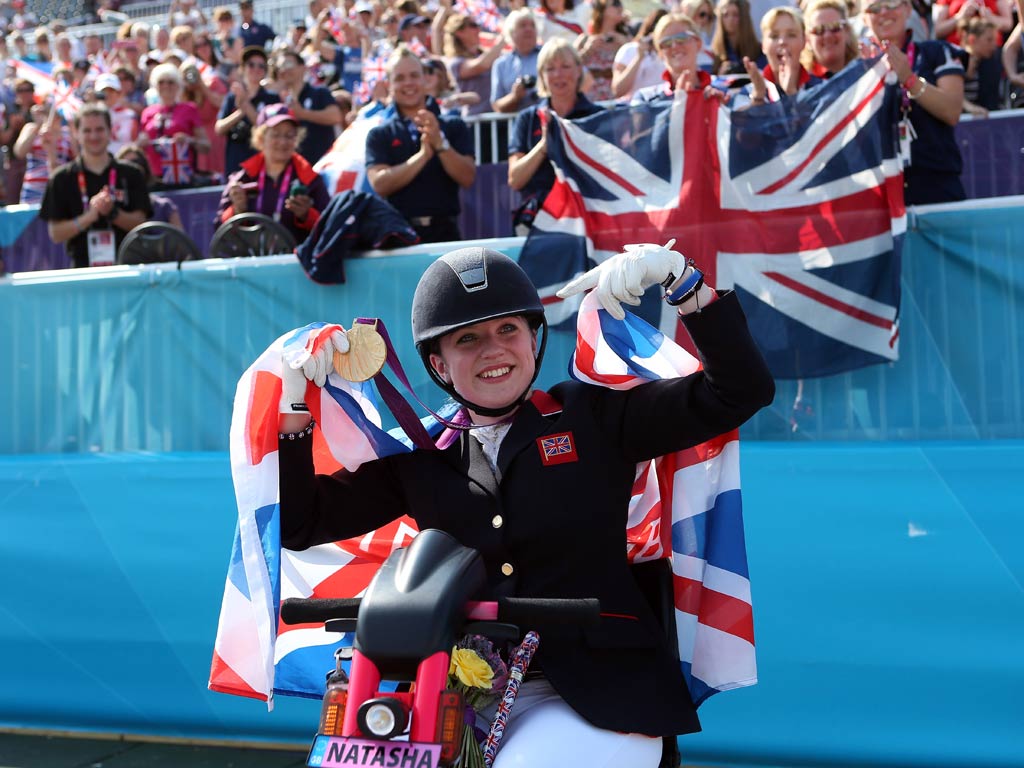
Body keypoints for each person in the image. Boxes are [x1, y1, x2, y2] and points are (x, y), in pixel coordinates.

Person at [275, 243, 774, 768]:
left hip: (593, 693)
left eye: (508, 330)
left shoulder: (594, 417)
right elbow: (300, 521)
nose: (494, 350)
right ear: (439, 364)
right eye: (468, 339)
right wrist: (292, 410)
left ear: (534, 340)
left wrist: (684, 284)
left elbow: (740, 391)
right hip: (450, 695)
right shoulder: (422, 455)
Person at [365, 45, 476, 243]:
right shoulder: (379, 134)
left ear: (425, 79)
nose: (408, 83)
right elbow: (380, 184)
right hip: (399, 236)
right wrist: (423, 156)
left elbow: (467, 177)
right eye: (399, 78)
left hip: (446, 234)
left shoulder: (454, 126)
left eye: (414, 75)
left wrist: (440, 144)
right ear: (388, 84)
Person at [861, 0, 965, 204]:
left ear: (908, 9)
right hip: (880, 193)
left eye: (891, 4)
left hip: (937, 186)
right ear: (864, 18)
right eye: (874, 8)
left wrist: (909, 80)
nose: (883, 12)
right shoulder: (857, 66)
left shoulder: (936, 52)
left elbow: (952, 111)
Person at [39, 103, 152, 269]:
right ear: (76, 134)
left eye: (99, 129)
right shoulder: (61, 178)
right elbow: (55, 234)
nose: (93, 136)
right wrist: (89, 217)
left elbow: (141, 223)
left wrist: (113, 213)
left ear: (109, 131)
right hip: (83, 274)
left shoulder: (131, 173)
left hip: (127, 269)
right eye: (87, 130)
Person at [508, 39, 602, 232]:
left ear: (578, 70)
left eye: (565, 66)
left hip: (586, 217)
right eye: (550, 69)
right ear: (541, 75)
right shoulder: (527, 118)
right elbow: (515, 179)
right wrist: (543, 145)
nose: (558, 75)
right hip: (537, 219)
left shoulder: (597, 116)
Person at [216, 103, 331, 245]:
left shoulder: (310, 180)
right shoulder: (242, 179)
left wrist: (306, 215)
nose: (283, 142)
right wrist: (237, 210)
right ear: (260, 138)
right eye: (275, 134)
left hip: (295, 262)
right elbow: (219, 229)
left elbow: (329, 228)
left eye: (289, 135)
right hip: (252, 262)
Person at [138, 63, 211, 187]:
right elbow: (139, 146)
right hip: (155, 178)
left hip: (182, 174)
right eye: (161, 82)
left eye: (170, 82)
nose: (166, 86)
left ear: (178, 86)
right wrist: (140, 143)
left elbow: (206, 146)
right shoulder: (147, 112)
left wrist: (189, 140)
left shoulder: (189, 109)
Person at [216, 46, 282, 176]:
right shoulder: (232, 96)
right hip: (236, 161)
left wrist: (245, 104)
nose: (256, 69)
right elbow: (219, 128)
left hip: (262, 162)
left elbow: (266, 128)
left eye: (261, 66)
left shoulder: (272, 98)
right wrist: (240, 113)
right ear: (243, 68)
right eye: (251, 65)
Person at [270, 49, 343, 165]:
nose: (284, 69)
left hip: (320, 167)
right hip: (294, 169)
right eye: (280, 66)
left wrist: (303, 114)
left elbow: (335, 116)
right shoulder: (279, 101)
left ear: (303, 68)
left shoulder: (319, 92)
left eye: (288, 64)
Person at [633, 13, 716, 101]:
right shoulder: (646, 99)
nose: (674, 46)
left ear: (698, 43)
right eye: (666, 42)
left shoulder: (719, 94)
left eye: (681, 38)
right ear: (660, 53)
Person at [115, 143, 185, 229]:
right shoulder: (113, 209)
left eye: (137, 162)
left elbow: (180, 239)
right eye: (125, 165)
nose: (133, 169)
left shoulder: (164, 207)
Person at [575, 0, 629, 101]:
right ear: (602, 10)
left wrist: (625, 46)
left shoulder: (627, 40)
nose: (620, 7)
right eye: (615, 3)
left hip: (618, 97)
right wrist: (588, 50)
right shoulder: (584, 40)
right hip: (590, 97)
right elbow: (571, 66)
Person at [491, 9, 542, 113]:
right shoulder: (501, 65)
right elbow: (497, 105)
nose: (529, 29)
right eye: (522, 25)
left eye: (532, 25)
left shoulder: (548, 54)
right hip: (518, 125)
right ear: (511, 32)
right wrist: (514, 97)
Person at [612, 9, 668, 99]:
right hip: (630, 108)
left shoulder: (671, 53)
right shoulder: (629, 50)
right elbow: (618, 90)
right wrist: (639, 57)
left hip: (661, 108)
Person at [800, 0, 857, 78]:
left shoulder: (866, 72)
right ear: (808, 39)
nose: (827, 36)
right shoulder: (801, 84)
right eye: (819, 29)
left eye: (835, 26)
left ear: (847, 31)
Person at [958, 17, 1002, 116]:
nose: (994, 45)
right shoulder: (958, 61)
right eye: (989, 40)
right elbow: (949, 94)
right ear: (972, 39)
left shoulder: (985, 64)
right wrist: (970, 107)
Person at [710, 0, 765, 75]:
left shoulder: (759, 50)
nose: (730, 19)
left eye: (735, 15)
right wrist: (720, 76)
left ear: (744, 18)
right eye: (725, 15)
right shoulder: (715, 52)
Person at [932, 0, 1013, 46]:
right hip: (956, 51)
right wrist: (960, 16)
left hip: (989, 52)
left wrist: (991, 18)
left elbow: (1008, 23)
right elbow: (938, 30)